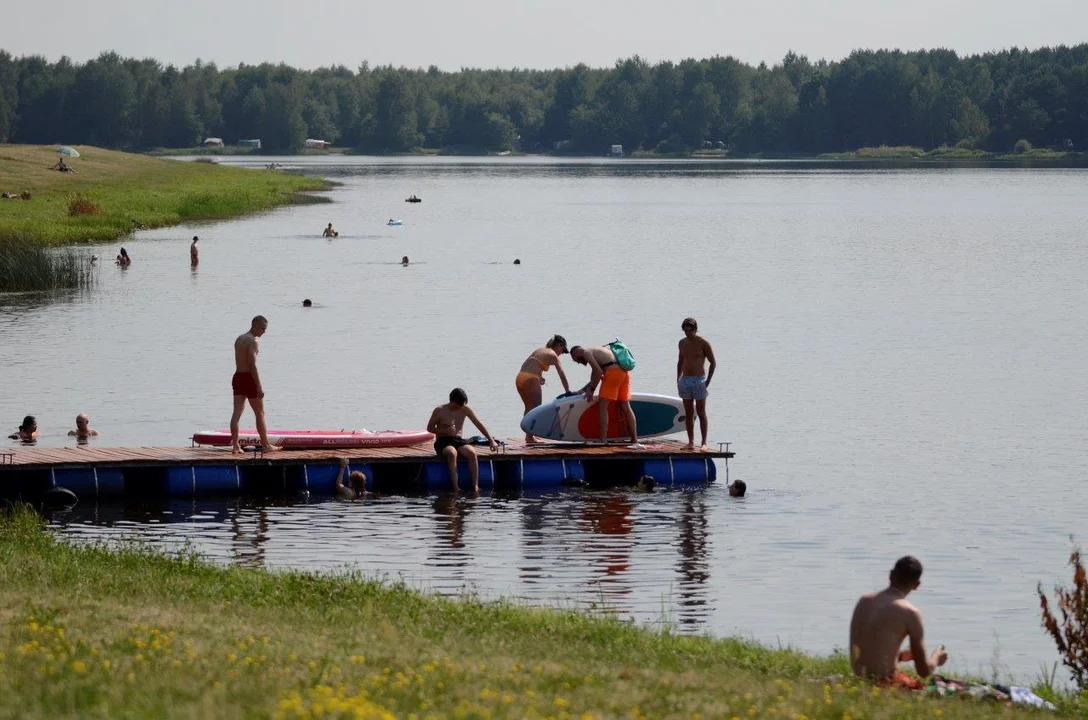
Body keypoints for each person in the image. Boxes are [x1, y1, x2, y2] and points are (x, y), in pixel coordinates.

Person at [849, 556, 948, 690]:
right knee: (941, 689)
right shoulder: (910, 613)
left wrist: (899, 656)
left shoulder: (864, 601)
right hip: (884, 684)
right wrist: (936, 657)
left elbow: (868, 649)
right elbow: (924, 672)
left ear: (890, 575)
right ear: (917, 585)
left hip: (859, 679)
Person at [426, 388, 498, 493]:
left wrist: (491, 440)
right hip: (443, 440)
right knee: (452, 453)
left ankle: (475, 486)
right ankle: (456, 487)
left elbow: (478, 424)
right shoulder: (440, 410)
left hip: (458, 439)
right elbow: (429, 428)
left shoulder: (465, 409)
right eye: (458, 405)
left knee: (472, 452)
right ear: (452, 401)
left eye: (462, 404)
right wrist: (443, 430)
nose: (460, 407)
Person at [570, 345, 641, 447]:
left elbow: (598, 372)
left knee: (603, 406)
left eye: (575, 359)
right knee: (626, 406)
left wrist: (591, 390)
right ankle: (634, 439)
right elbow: (595, 374)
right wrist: (582, 390)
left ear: (576, 353)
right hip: (624, 373)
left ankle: (603, 439)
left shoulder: (586, 353)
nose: (577, 362)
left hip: (613, 374)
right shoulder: (599, 349)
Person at [229, 315, 280, 454]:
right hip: (248, 378)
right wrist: (259, 386)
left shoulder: (239, 339)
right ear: (255, 326)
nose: (264, 332)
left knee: (237, 413)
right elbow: (252, 365)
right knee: (260, 412)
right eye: (263, 328)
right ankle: (266, 445)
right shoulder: (253, 341)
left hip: (238, 376)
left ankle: (236, 447)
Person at [516, 335, 572, 443]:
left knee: (528, 408)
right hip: (531, 378)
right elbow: (562, 375)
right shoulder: (553, 355)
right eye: (562, 350)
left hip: (520, 377)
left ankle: (529, 436)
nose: (561, 353)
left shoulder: (540, 350)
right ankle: (529, 437)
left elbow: (528, 364)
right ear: (559, 345)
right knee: (536, 409)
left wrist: (539, 376)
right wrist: (568, 391)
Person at [677, 317, 717, 450]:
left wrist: (707, 381)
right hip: (685, 380)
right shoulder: (682, 343)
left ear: (695, 329)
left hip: (699, 379)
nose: (688, 333)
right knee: (688, 412)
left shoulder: (703, 343)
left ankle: (704, 442)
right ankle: (690, 442)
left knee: (701, 411)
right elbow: (680, 361)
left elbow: (713, 362)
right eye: (685, 330)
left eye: (690, 330)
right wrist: (678, 379)